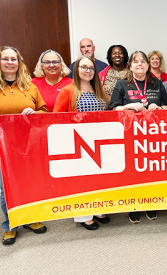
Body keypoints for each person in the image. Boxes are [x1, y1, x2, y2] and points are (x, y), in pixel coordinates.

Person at [0, 46, 48, 245]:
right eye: (5, 59)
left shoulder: (30, 86)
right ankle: (10, 224)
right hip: (0, 146)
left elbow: (43, 110)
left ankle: (30, 219)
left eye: (14, 59)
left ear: (19, 63)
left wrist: (35, 114)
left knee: (29, 183)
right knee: (6, 186)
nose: (10, 62)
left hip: (28, 145)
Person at [109, 50, 167, 223]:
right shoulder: (122, 84)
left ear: (148, 65)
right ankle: (133, 206)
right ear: (130, 65)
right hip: (129, 135)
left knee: (150, 171)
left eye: (143, 61)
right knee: (132, 172)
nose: (140, 64)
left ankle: (150, 203)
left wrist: (157, 108)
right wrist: (128, 106)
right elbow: (113, 109)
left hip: (152, 135)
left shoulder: (157, 83)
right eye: (136, 61)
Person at [53, 55, 110, 230]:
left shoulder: (98, 90)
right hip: (78, 142)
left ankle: (98, 208)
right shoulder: (67, 91)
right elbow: (56, 118)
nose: (88, 70)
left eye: (91, 68)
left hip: (98, 141)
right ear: (76, 70)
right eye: (84, 67)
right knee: (82, 181)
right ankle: (84, 215)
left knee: (99, 179)